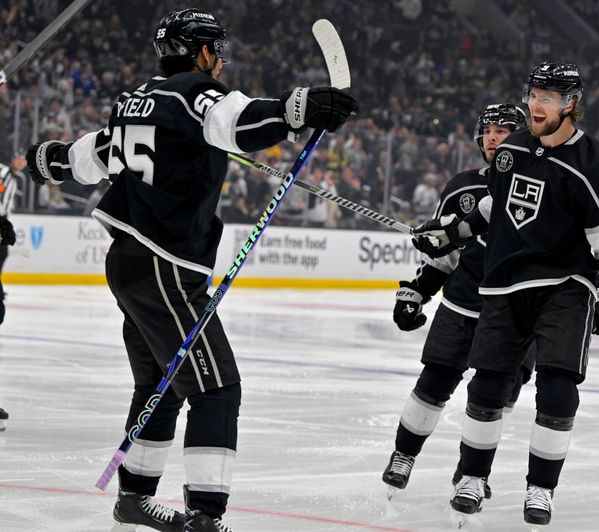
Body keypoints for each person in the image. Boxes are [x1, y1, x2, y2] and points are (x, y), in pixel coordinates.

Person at [25, 9, 357, 532]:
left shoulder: (134, 99)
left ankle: (134, 497)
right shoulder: (194, 93)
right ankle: (206, 514)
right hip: (164, 264)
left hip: (131, 260)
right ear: (201, 52)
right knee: (217, 388)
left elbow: (89, 158)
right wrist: (303, 106)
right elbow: (241, 122)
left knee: (161, 378)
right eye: (216, 51)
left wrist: (49, 159)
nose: (221, 62)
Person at [412, 61, 599, 527]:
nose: (535, 105)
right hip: (502, 284)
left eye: (547, 98)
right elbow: (492, 207)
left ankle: (540, 489)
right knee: (488, 385)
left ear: (570, 104)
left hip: (565, 288)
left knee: (558, 388)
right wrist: (451, 233)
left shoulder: (594, 164)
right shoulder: (513, 150)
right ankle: (473, 478)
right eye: (533, 95)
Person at [382, 104, 529, 497]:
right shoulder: (462, 186)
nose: (495, 137)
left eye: (505, 130)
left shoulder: (543, 186)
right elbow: (444, 252)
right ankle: (403, 455)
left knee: (499, 397)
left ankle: (472, 473)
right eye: (489, 130)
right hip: (462, 303)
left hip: (518, 313)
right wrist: (418, 289)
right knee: (434, 381)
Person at [0, 151, 22, 326]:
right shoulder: (3, 172)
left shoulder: (15, 179)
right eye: (18, 158)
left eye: (23, 160)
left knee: (2, 253)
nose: (21, 162)